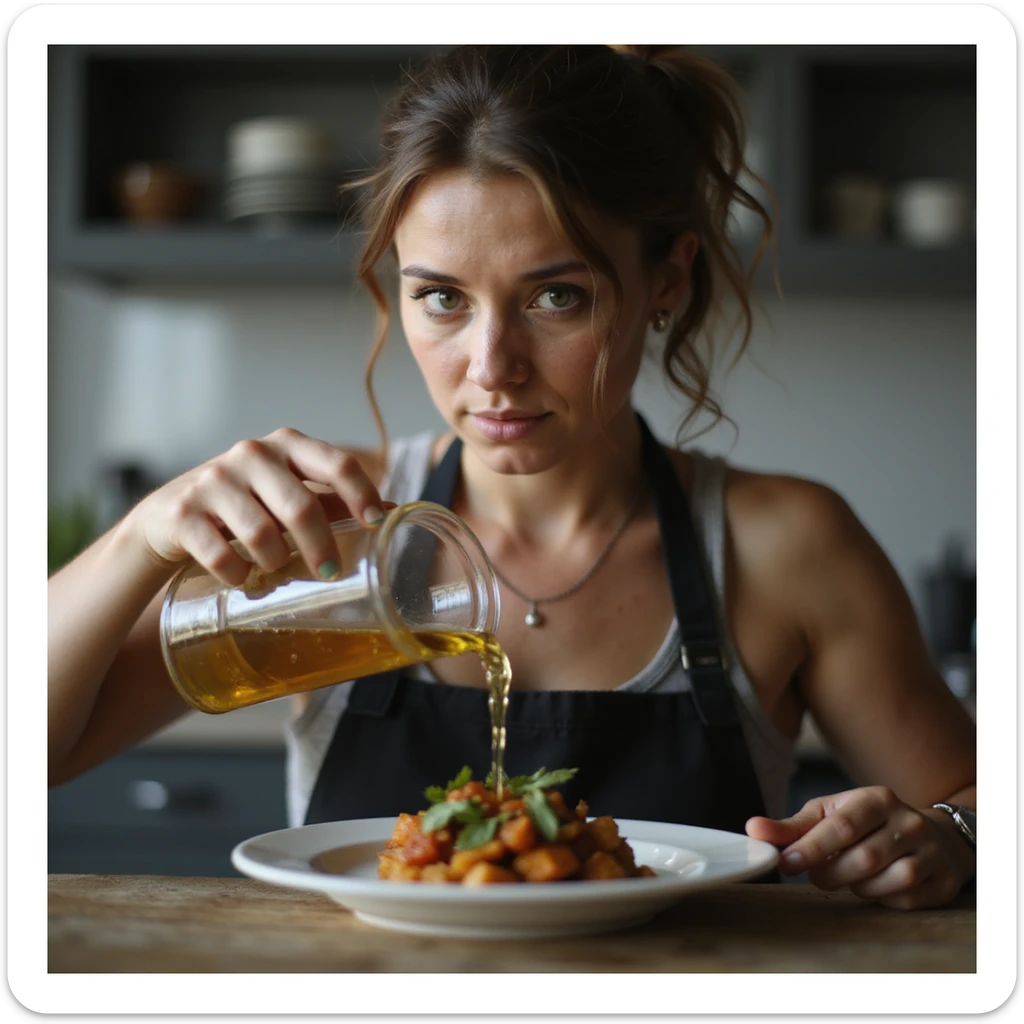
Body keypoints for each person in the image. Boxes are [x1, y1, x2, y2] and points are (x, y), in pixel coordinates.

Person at [47, 44, 975, 909]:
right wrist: (138, 540)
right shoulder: (322, 535)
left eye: (555, 296)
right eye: (442, 298)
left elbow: (972, 806)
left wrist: (951, 835)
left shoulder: (787, 545)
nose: (492, 365)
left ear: (669, 280)